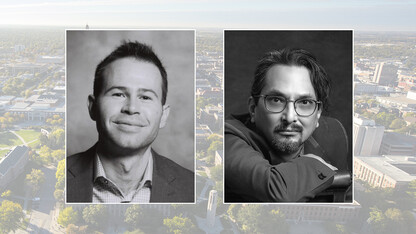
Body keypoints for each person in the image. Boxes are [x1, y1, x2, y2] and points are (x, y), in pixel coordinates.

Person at [67, 41, 194, 203]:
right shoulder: (54, 180)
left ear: (164, 115)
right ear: (93, 107)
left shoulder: (193, 188)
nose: (132, 108)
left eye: (146, 97)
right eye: (118, 94)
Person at [225, 48, 349, 202]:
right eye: (276, 100)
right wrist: (312, 165)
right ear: (253, 109)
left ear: (318, 113)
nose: (290, 117)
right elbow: (274, 190)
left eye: (305, 102)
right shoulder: (226, 138)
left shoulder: (334, 133)